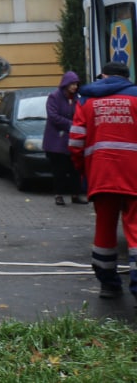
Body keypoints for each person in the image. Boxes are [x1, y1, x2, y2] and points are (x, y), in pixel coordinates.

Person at [69, 61, 137, 299]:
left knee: (104, 231)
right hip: (134, 176)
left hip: (101, 174)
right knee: (136, 231)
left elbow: (76, 142)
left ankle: (108, 284)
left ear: (104, 76)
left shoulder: (86, 100)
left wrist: (85, 171)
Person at [44, 71, 86, 206]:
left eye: (76, 84)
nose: (74, 87)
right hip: (57, 139)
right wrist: (72, 125)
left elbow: (82, 113)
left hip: (73, 139)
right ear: (66, 84)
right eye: (72, 84)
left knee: (75, 169)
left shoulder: (77, 98)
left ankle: (75, 194)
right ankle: (59, 195)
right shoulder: (54, 97)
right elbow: (53, 116)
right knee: (59, 170)